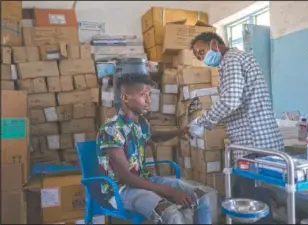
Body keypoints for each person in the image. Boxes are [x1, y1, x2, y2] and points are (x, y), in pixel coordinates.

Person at [190, 32, 285, 223]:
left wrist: (202, 122)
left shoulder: (232, 60)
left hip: (254, 144)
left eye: (202, 52)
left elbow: (230, 101)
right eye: (198, 57)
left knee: (253, 204)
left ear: (214, 44)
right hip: (258, 142)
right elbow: (237, 103)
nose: (202, 58)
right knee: (251, 196)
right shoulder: (236, 60)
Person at [96, 73, 212, 224]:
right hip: (120, 189)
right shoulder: (111, 130)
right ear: (125, 98)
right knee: (170, 213)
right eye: (142, 95)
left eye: (149, 95)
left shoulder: (141, 123)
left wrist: (179, 131)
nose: (148, 100)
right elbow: (126, 177)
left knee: (201, 196)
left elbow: (154, 136)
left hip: (144, 179)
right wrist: (169, 191)